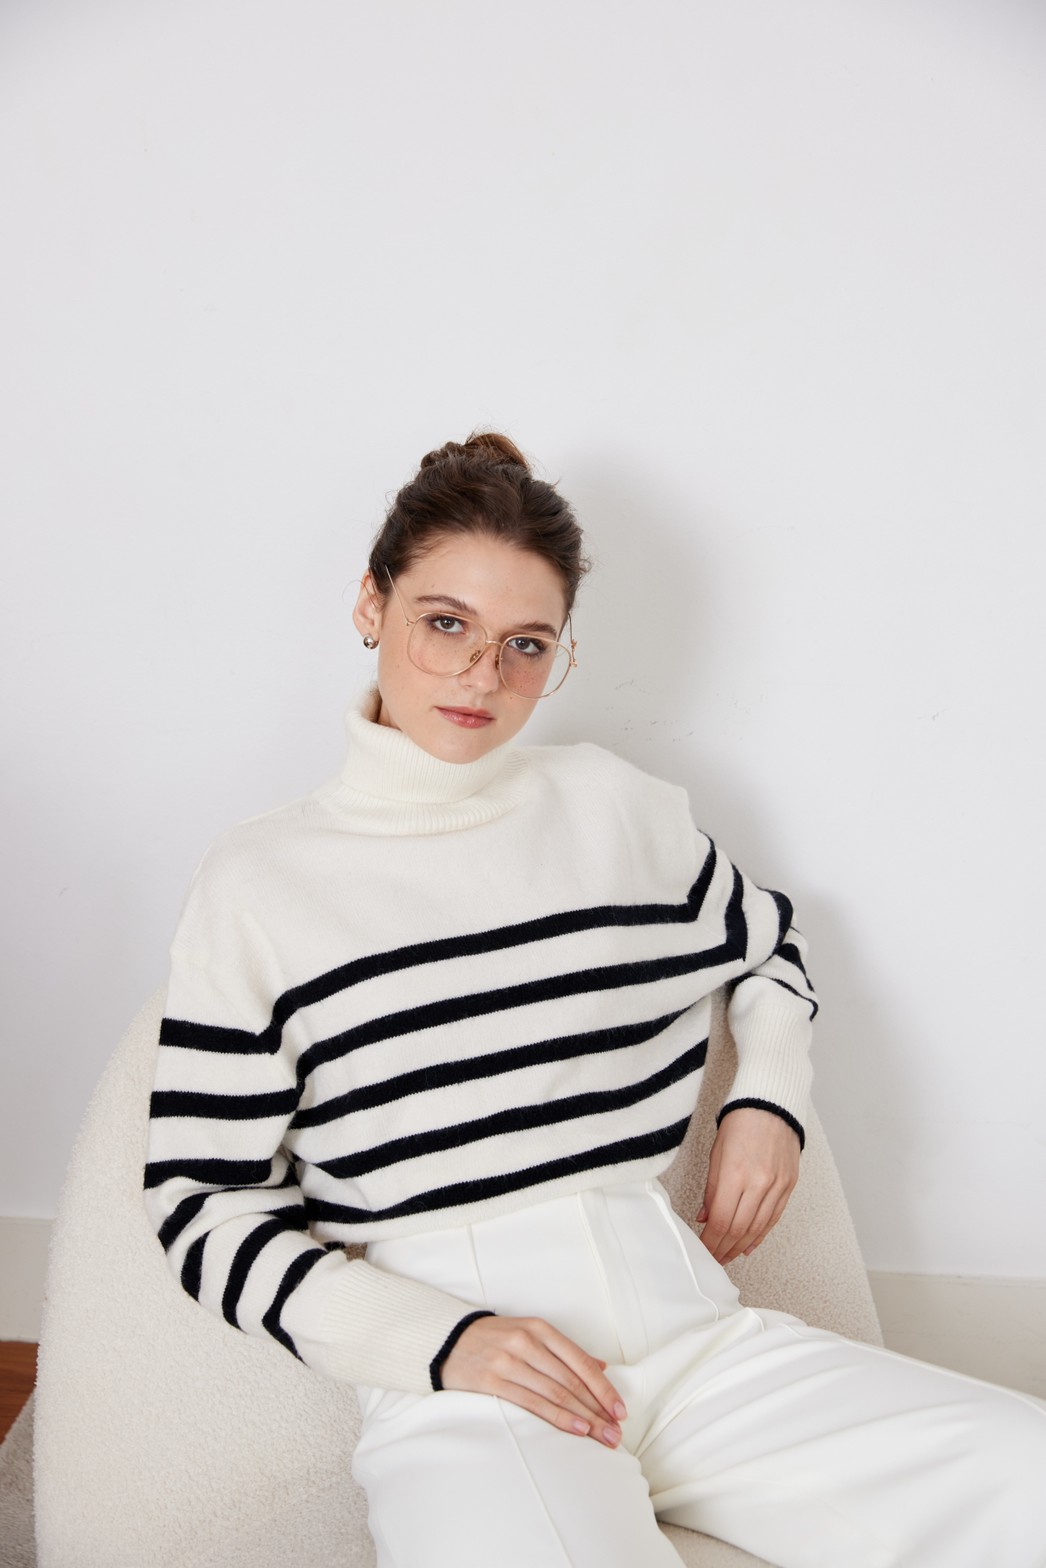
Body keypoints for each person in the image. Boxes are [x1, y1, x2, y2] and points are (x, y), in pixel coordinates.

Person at [143, 432, 1046, 1568]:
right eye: (445, 623)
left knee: (1027, 1473)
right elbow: (199, 1199)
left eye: (526, 644)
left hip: (700, 1343)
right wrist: (438, 1340)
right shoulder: (261, 881)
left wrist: (766, 1099)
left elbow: (769, 945)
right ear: (371, 603)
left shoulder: (615, 808)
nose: (483, 675)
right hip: (476, 1386)